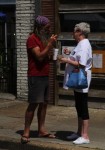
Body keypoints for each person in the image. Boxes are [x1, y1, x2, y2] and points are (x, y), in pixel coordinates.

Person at [21, 15, 57, 144]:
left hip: (45, 74)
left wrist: (52, 53)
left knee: (44, 104)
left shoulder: (43, 39)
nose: (49, 30)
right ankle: (26, 131)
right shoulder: (32, 39)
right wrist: (49, 45)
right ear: (40, 27)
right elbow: (39, 57)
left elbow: (46, 56)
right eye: (47, 28)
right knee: (34, 103)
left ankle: (42, 130)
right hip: (35, 75)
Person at [58, 22, 92, 144]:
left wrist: (65, 60)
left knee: (83, 106)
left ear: (80, 33)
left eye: (74, 31)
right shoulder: (80, 44)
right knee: (78, 105)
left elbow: (81, 64)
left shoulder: (83, 45)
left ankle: (85, 135)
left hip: (81, 79)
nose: (73, 33)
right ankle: (79, 132)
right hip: (77, 79)